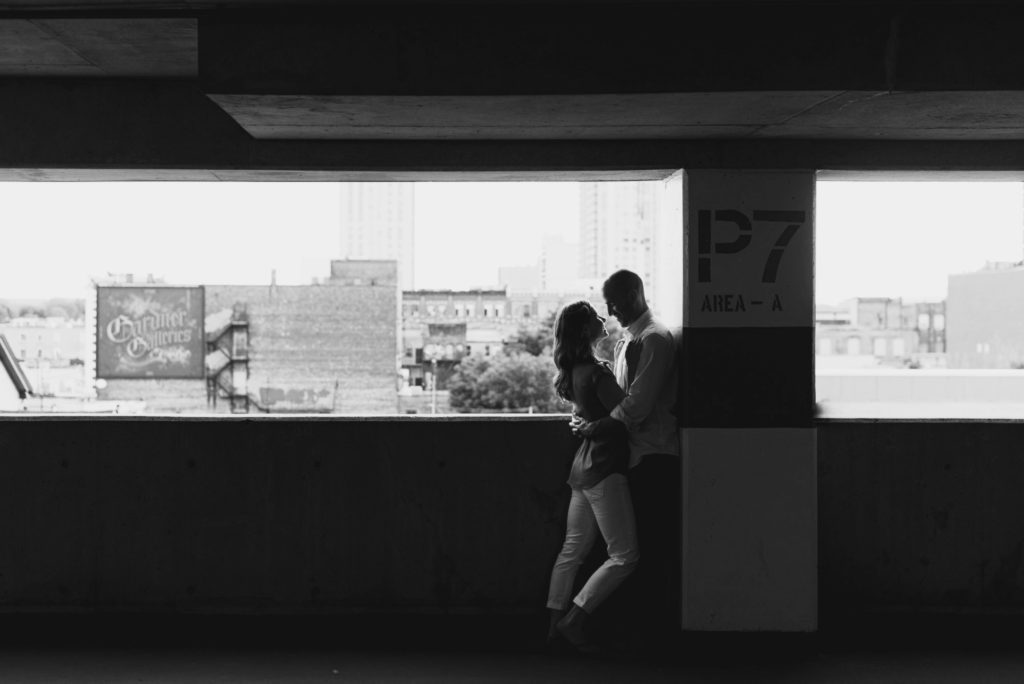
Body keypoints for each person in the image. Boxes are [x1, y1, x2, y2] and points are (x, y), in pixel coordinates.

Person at [575, 269, 680, 646]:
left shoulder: (656, 339)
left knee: (649, 551)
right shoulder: (627, 341)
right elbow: (621, 399)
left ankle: (651, 635)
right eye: (608, 303)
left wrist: (600, 426)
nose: (612, 310)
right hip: (632, 456)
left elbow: (637, 405)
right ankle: (637, 633)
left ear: (636, 292)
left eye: (616, 300)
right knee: (631, 550)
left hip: (655, 456)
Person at [546, 300, 639, 654]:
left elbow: (589, 417)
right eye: (596, 318)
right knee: (625, 555)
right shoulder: (598, 374)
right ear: (586, 330)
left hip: (581, 470)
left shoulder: (572, 371)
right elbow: (626, 417)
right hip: (604, 469)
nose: (604, 319)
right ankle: (575, 619)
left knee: (572, 550)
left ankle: (553, 625)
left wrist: (584, 424)